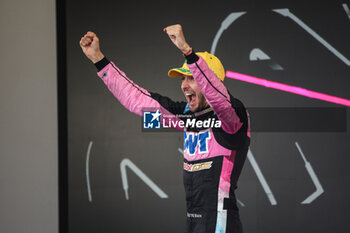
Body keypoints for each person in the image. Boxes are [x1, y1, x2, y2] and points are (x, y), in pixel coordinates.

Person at [80, 24, 250, 233]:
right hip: (193, 225)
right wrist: (99, 60)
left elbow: (220, 98)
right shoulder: (185, 117)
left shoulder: (233, 118)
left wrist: (188, 52)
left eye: (191, 78)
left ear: (209, 81)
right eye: (182, 79)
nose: (184, 85)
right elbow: (137, 100)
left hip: (222, 226)